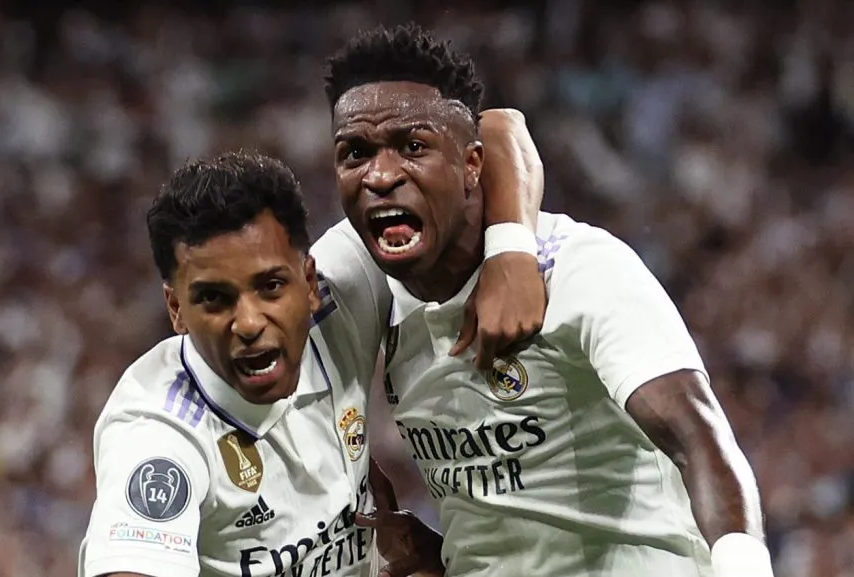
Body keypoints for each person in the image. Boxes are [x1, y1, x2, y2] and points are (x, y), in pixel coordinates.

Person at [323, 23, 774, 577]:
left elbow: (697, 436)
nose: (382, 174)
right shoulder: (365, 287)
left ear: (472, 166)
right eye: (355, 153)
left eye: (413, 147)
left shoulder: (582, 269)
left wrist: (744, 566)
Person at [77, 105, 546, 577]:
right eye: (214, 299)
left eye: (271, 286)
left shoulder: (341, 292)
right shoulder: (159, 431)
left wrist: (512, 252)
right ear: (175, 309)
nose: (248, 322)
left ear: (308, 279)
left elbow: (497, 128)